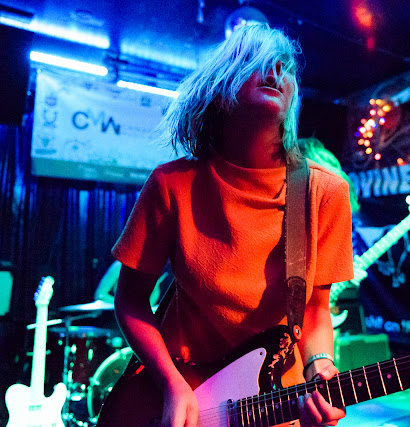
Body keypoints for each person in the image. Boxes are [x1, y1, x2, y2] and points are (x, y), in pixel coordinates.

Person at [111, 24, 353, 427]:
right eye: (259, 63)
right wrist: (171, 384)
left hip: (275, 404)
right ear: (221, 84)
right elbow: (131, 300)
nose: (276, 72)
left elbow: (314, 310)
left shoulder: (324, 192)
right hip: (180, 395)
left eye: (285, 67)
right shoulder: (173, 184)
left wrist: (320, 368)